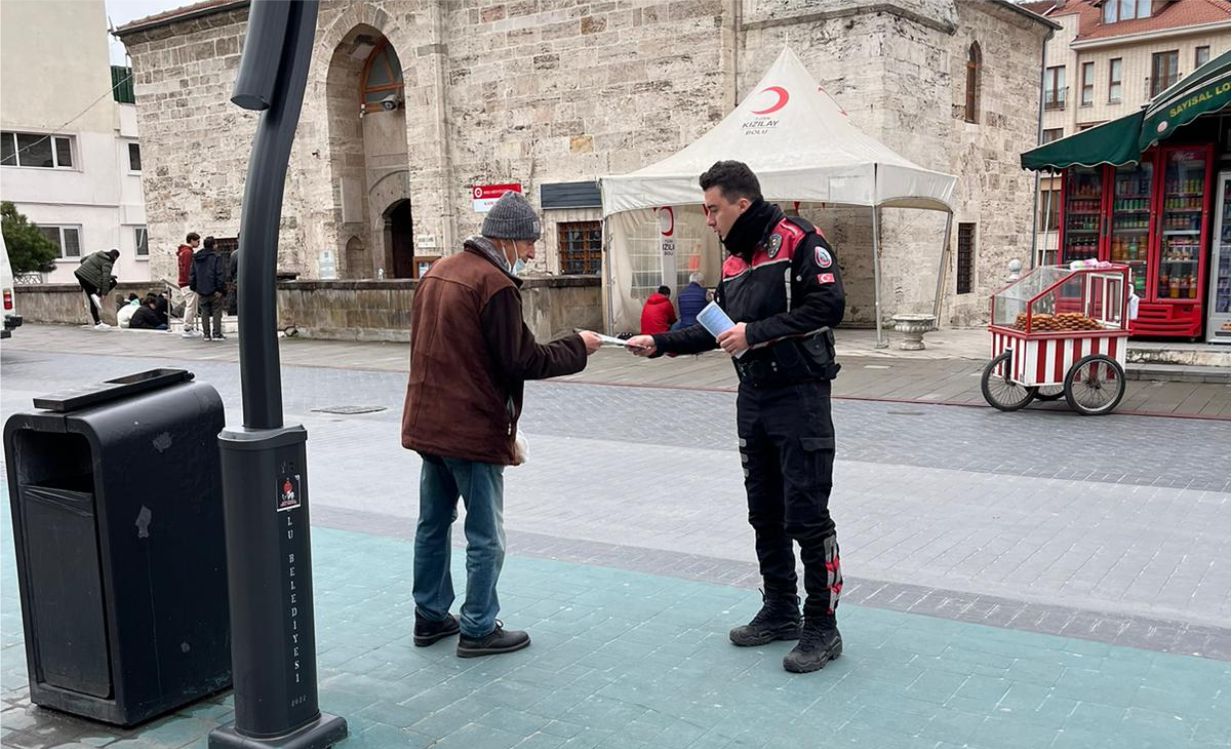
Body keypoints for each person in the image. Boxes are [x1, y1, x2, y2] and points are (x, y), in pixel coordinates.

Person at [627, 161, 846, 674]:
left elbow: (829, 306)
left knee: (807, 515)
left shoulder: (800, 241)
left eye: (712, 209)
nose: (708, 220)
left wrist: (757, 333)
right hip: (754, 398)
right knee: (763, 510)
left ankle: (822, 625)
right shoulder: (733, 263)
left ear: (741, 205)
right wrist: (658, 343)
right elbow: (715, 329)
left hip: (801, 395)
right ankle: (779, 609)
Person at [401, 190, 602, 658]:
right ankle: (478, 626)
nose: (532, 253)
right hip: (470, 427)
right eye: (530, 243)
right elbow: (522, 359)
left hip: (430, 420)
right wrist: (578, 345)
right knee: (485, 533)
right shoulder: (494, 284)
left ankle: (429, 616)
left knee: (433, 522)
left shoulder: (440, 272)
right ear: (509, 239)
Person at [189, 236, 226, 341]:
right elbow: (219, 273)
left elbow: (192, 274)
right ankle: (216, 334)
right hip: (214, 290)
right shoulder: (216, 257)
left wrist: (195, 288)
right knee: (216, 311)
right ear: (213, 245)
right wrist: (220, 289)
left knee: (204, 312)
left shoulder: (197, 257)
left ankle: (206, 334)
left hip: (201, 289)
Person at [74, 249, 120, 329]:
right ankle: (98, 323)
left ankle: (97, 321)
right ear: (115, 257)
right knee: (113, 283)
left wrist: (88, 271)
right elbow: (105, 279)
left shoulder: (97, 254)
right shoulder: (108, 262)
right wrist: (104, 294)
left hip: (80, 275)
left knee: (92, 296)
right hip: (88, 280)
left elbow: (83, 260)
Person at [176, 233, 201, 337]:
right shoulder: (188, 253)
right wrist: (192, 281)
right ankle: (187, 328)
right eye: (197, 241)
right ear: (192, 240)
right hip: (188, 283)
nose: (199, 243)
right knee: (191, 306)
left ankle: (189, 327)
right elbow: (187, 269)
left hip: (184, 282)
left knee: (191, 305)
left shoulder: (183, 252)